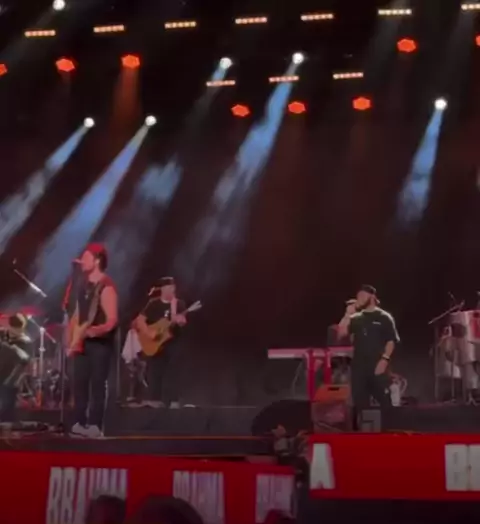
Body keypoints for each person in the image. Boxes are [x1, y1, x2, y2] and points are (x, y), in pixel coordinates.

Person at [70, 243, 118, 438]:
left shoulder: (107, 286)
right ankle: (78, 423)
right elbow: (78, 314)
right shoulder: (82, 285)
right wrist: (72, 339)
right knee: (79, 384)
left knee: (98, 384)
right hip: (82, 343)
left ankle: (95, 425)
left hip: (100, 344)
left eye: (86, 257)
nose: (81, 261)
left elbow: (112, 320)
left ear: (97, 260)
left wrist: (93, 331)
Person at [338, 285, 400, 417]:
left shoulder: (384, 317)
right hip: (359, 368)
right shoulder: (356, 318)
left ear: (372, 296)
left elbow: (391, 341)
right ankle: (364, 427)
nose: (359, 299)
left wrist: (384, 360)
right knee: (360, 404)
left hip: (378, 366)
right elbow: (341, 334)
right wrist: (347, 314)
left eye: (362, 296)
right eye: (358, 296)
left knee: (385, 403)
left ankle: (389, 425)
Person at [133, 277, 186, 409]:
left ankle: (173, 400)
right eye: (168, 288)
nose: (171, 290)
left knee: (173, 370)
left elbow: (182, 320)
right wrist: (149, 333)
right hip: (156, 342)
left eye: (173, 288)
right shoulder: (153, 303)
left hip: (173, 341)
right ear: (162, 289)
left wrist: (180, 321)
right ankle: (154, 399)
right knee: (156, 370)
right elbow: (140, 320)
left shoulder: (178, 304)